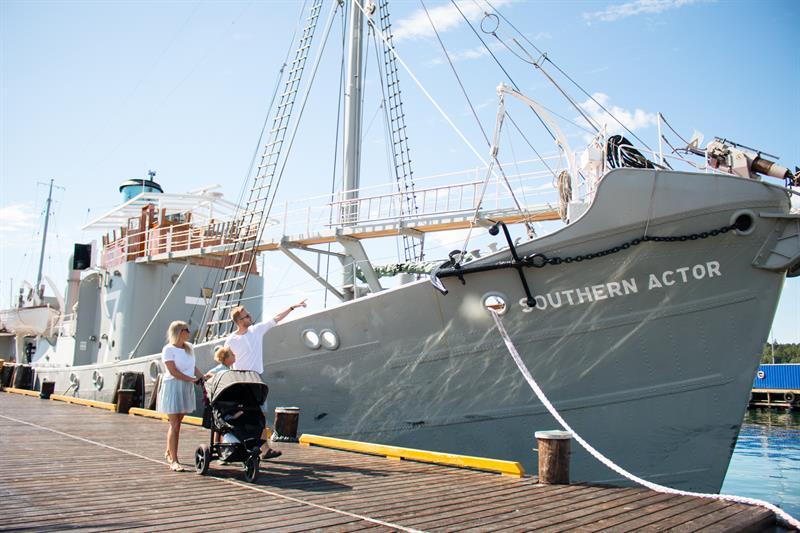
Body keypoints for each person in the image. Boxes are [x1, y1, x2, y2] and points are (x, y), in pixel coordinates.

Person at [225, 300, 306, 459]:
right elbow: (225, 359)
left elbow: (276, 318)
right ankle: (243, 446)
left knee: (261, 413)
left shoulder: (256, 330)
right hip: (240, 380)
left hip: (256, 379)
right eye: (246, 316)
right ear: (240, 321)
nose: (250, 317)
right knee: (243, 414)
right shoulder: (231, 340)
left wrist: (291, 307)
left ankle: (264, 449)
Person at [157, 320, 204, 472]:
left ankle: (168, 450)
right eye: (186, 330)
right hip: (173, 386)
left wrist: (202, 378)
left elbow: (193, 367)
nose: (189, 333)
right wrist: (192, 379)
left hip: (186, 386)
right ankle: (174, 460)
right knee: (175, 424)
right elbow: (173, 371)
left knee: (178, 422)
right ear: (178, 332)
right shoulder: (168, 349)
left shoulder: (189, 348)